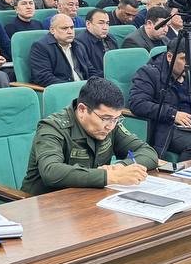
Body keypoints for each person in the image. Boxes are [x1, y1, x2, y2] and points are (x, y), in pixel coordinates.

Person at [22, 78, 159, 194]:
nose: (110, 126)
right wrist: (110, 176)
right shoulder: (52, 128)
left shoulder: (111, 125)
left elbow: (148, 153)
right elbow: (51, 172)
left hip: (86, 198)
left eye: (116, 119)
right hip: (44, 204)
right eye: (105, 118)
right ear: (82, 109)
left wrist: (121, 166)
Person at [128, 36, 191, 160]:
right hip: (165, 126)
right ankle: (183, 172)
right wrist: (173, 114)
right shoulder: (149, 73)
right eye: (184, 59)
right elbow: (137, 103)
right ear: (170, 57)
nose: (189, 64)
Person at [30, 14, 95, 87]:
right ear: (52, 30)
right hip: (62, 90)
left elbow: (90, 70)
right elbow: (43, 77)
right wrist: (71, 87)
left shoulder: (78, 45)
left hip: (84, 89)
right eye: (64, 28)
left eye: (72, 27)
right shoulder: (41, 47)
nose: (70, 31)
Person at [74, 8, 118, 78]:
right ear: (88, 24)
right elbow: (88, 71)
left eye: (107, 23)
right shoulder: (79, 42)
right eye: (101, 23)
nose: (105, 27)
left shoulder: (111, 38)